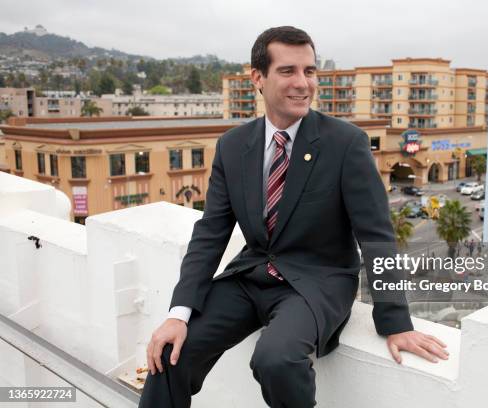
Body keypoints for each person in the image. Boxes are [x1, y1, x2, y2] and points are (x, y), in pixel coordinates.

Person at [139, 26, 448, 408]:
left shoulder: (345, 143)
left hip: (319, 282)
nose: (303, 83)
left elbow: (376, 234)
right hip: (250, 276)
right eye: (288, 71)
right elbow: (211, 232)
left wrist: (396, 322)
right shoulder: (233, 146)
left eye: (310, 71)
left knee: (276, 359)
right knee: (169, 353)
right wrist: (178, 314)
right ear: (258, 77)